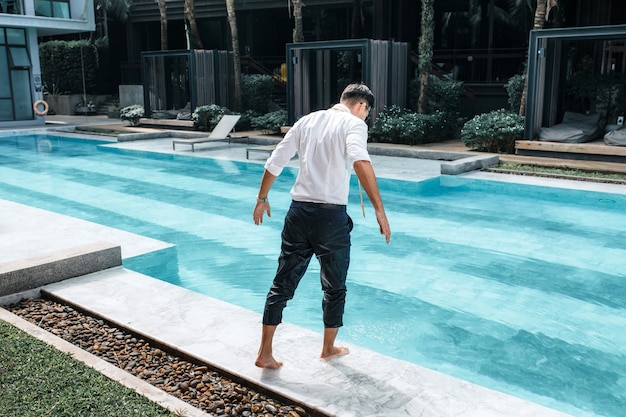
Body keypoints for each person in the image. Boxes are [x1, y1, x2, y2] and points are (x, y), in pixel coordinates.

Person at [252, 83, 391, 369]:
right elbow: (360, 160)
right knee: (335, 286)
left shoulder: (306, 120)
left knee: (282, 282)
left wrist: (262, 198)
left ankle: (264, 353)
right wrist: (380, 209)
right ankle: (327, 348)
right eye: (367, 113)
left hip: (298, 213)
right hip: (330, 218)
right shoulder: (354, 124)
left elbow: (275, 160)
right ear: (362, 105)